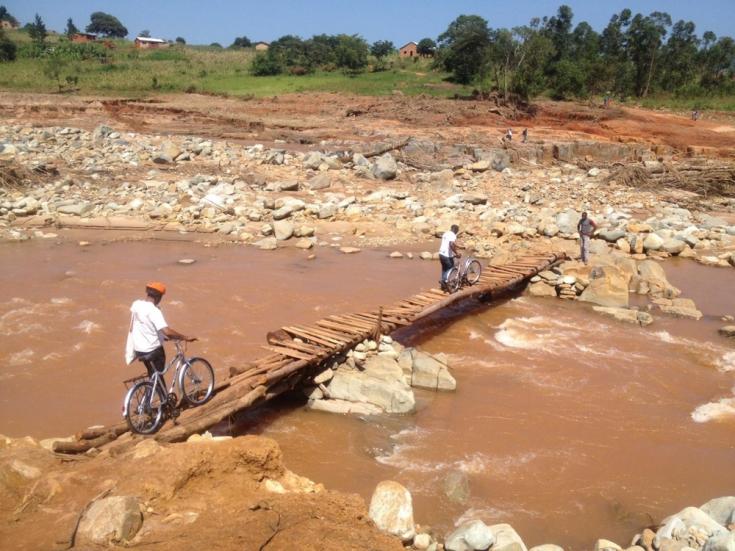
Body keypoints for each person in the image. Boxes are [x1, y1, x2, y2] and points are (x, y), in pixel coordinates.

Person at [125, 282, 196, 377]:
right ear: (158, 297)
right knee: (159, 376)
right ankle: (161, 391)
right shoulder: (154, 311)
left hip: (139, 349)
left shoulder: (136, 304)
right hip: (153, 351)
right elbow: (167, 331)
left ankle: (151, 389)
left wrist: (162, 337)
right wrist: (185, 337)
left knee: (153, 374)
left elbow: (144, 324)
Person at [439, 224, 464, 291]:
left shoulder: (446, 233)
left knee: (444, 269)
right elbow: (451, 245)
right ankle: (446, 283)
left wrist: (459, 247)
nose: (457, 232)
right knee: (450, 268)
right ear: (455, 230)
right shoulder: (453, 235)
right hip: (447, 255)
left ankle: (443, 283)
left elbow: (450, 243)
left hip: (441, 254)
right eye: (457, 231)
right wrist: (457, 253)